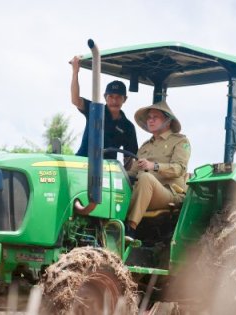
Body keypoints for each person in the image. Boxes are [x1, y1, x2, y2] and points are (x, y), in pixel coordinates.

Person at [124, 101, 190, 239]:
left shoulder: (180, 141)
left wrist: (154, 166)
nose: (150, 120)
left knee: (146, 178)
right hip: (142, 191)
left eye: (155, 117)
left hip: (169, 193)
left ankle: (130, 229)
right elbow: (132, 173)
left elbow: (179, 169)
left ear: (167, 120)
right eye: (149, 117)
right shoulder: (145, 146)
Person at [71, 56, 138, 162]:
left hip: (108, 170)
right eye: (111, 97)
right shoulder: (95, 110)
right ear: (105, 97)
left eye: (118, 97)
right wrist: (75, 72)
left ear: (125, 99)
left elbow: (129, 157)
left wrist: (126, 175)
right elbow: (75, 100)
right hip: (83, 162)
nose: (114, 101)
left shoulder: (128, 127)